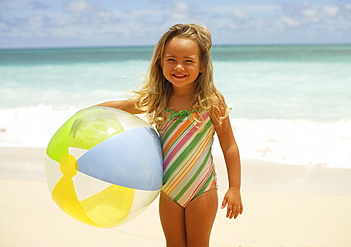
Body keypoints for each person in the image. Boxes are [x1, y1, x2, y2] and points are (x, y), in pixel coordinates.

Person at [96, 23, 243, 247]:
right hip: (169, 190)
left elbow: (229, 145)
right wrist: (88, 113)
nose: (179, 67)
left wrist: (234, 189)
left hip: (201, 188)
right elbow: (123, 106)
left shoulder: (210, 102)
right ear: (160, 62)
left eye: (188, 61)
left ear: (202, 65)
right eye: (171, 59)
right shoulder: (159, 99)